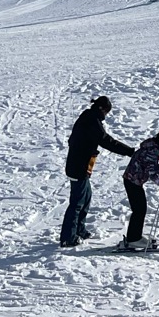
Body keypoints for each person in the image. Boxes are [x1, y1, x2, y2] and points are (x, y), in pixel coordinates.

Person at [60, 96, 134, 248]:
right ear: (101, 109)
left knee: (86, 198)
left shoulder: (88, 117)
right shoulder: (91, 120)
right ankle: (68, 237)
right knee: (77, 203)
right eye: (106, 111)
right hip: (78, 167)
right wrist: (129, 151)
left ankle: (79, 230)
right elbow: (106, 140)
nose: (106, 115)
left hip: (81, 166)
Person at [121, 122, 159, 249]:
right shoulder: (153, 150)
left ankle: (135, 236)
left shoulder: (153, 147)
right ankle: (133, 238)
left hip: (134, 180)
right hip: (133, 181)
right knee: (139, 209)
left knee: (140, 208)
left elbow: (150, 166)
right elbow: (150, 171)